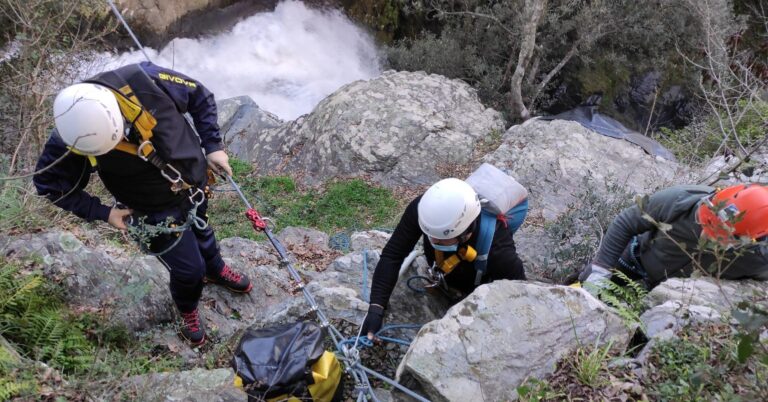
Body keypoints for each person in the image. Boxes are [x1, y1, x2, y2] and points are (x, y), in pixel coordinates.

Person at [33, 62, 252, 346]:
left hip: (192, 184)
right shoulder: (71, 135)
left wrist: (213, 146)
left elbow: (198, 94)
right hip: (150, 210)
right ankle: (187, 309)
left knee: (202, 231)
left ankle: (215, 268)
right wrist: (103, 213)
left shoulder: (143, 80)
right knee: (188, 270)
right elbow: (49, 183)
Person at [361, 174, 528, 339]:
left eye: (441, 239)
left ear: (466, 233)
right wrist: (376, 308)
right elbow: (393, 255)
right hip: (445, 273)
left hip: (476, 289)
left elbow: (518, 298)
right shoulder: (426, 210)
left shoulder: (499, 251)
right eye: (429, 234)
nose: (432, 240)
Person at [581, 184, 768, 290]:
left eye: (720, 236)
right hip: (635, 259)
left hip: (676, 292)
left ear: (750, 239)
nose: (706, 234)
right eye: (706, 221)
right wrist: (601, 269)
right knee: (585, 281)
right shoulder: (681, 200)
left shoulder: (758, 257)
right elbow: (626, 222)